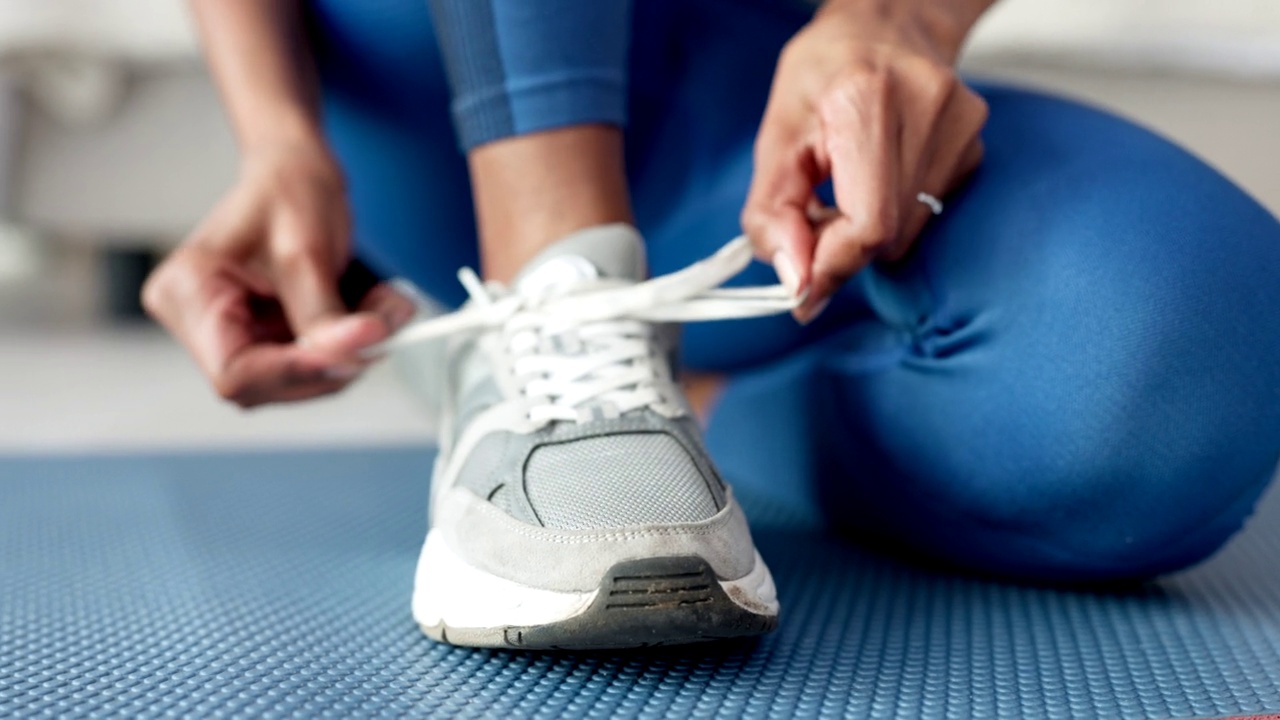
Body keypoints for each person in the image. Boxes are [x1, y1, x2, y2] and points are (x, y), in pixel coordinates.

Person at [143, 0, 1280, 649]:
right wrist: (278, 138)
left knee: (1186, 377)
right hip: (440, 108)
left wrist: (895, 20)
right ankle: (548, 292)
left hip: (756, 112)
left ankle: (694, 402)